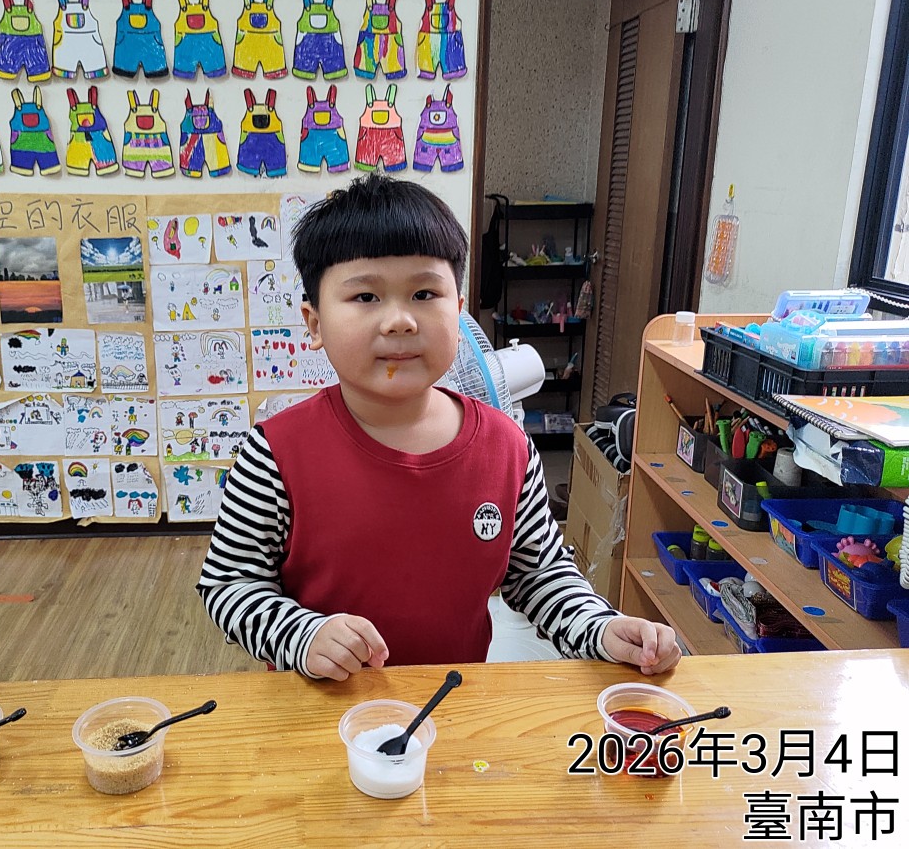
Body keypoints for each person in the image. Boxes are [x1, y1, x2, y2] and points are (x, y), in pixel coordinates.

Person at [196, 174, 681, 681]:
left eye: (425, 293)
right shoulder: (275, 452)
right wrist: (302, 635)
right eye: (365, 297)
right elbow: (228, 583)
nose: (400, 321)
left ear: (459, 311)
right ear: (315, 323)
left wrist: (601, 628)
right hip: (318, 703)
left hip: (451, 701)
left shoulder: (507, 448)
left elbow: (539, 575)